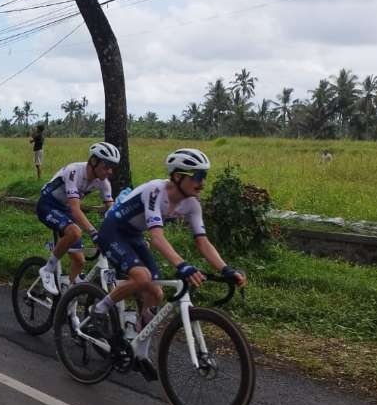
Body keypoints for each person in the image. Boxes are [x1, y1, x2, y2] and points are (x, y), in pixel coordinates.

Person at [94, 148, 247, 334]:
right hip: (113, 231)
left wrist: (225, 269)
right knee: (142, 277)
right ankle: (99, 310)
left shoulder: (192, 204)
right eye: (197, 176)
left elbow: (203, 242)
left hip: (134, 235)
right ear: (177, 176)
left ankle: (134, 339)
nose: (202, 182)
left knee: (156, 293)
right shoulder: (155, 191)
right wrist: (182, 265)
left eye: (204, 176)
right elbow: (157, 238)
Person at [36, 141, 120, 295]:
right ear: (93, 161)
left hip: (65, 209)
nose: (110, 172)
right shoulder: (74, 171)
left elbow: (113, 211)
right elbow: (76, 209)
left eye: (112, 168)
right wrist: (94, 233)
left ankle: (67, 301)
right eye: (106, 167)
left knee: (79, 261)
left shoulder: (104, 183)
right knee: (75, 232)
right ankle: (47, 269)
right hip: (47, 205)